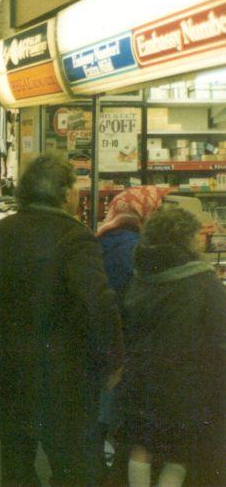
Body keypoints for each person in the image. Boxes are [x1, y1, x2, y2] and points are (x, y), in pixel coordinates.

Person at [0, 153, 124, 485]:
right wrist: (114, 360)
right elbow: (98, 305)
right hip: (60, 379)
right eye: (75, 188)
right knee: (72, 468)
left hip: (5, 371)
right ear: (63, 191)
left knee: (16, 466)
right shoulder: (75, 238)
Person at [118, 207, 224, 487]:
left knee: (142, 447)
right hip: (186, 387)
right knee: (180, 455)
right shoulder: (202, 282)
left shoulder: (140, 276)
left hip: (140, 382)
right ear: (187, 239)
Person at [93, 186, 171, 481]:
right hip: (122, 343)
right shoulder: (132, 248)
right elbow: (133, 299)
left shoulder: (105, 237)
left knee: (101, 417)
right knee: (115, 417)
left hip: (103, 341)